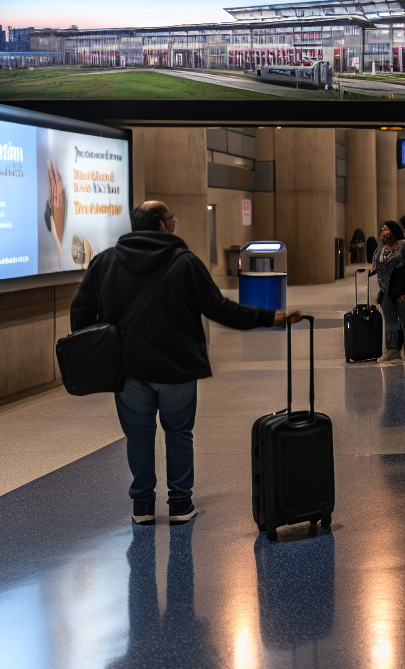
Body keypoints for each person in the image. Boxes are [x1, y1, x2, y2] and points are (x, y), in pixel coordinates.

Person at [71, 201, 299, 524]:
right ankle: (179, 504)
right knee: (179, 432)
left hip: (128, 370)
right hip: (176, 368)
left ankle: (142, 507)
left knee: (138, 436)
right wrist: (269, 317)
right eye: (171, 219)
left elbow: (79, 312)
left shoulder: (105, 262)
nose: (173, 224)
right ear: (163, 226)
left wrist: (99, 352)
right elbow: (219, 309)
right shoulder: (185, 262)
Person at [370, 219, 405, 362]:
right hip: (387, 290)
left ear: (394, 231)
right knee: (390, 321)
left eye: (387, 229)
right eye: (383, 230)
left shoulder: (404, 247)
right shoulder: (380, 251)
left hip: (403, 289)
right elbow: (375, 271)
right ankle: (392, 352)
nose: (384, 233)